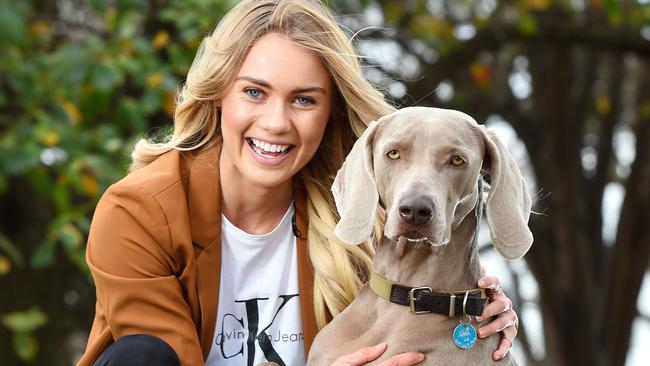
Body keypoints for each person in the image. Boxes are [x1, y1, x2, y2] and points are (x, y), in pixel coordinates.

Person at [77, 1, 520, 365]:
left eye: (304, 100)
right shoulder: (138, 212)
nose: (275, 122)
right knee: (141, 356)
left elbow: (424, 296)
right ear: (218, 95)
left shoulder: (357, 212)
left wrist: (473, 313)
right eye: (254, 92)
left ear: (330, 112)